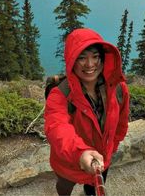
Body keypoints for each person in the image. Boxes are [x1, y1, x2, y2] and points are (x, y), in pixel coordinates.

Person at [44, 28, 130, 195]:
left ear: (103, 59)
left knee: (92, 189)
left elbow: (121, 123)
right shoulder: (60, 94)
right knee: (64, 187)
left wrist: (111, 149)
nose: (90, 64)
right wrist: (80, 153)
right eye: (82, 58)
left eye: (95, 57)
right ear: (71, 61)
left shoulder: (118, 88)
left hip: (101, 158)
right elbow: (56, 127)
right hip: (69, 161)